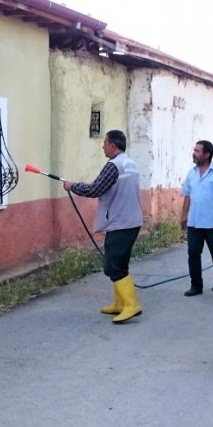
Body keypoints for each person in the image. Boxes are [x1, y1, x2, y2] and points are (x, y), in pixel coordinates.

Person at [63, 130, 143, 323]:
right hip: (131, 221)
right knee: (120, 264)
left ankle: (131, 305)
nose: (103, 146)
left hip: (121, 223)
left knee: (112, 265)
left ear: (113, 145)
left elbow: (95, 189)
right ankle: (119, 303)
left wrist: (72, 186)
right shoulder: (130, 163)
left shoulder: (113, 166)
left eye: (105, 143)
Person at [180, 140, 213, 297]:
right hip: (194, 222)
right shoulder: (191, 173)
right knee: (193, 253)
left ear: (207, 154)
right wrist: (183, 216)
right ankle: (196, 285)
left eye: (197, 151)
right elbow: (187, 196)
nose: (193, 153)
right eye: (194, 150)